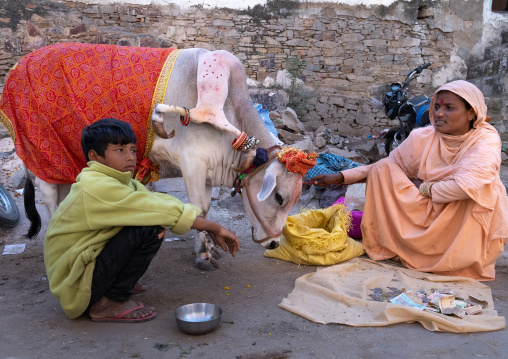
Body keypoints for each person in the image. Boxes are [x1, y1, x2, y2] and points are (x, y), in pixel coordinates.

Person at [44, 118, 240, 322]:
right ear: (95, 156)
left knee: (148, 218)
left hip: (80, 270)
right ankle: (107, 302)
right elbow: (158, 210)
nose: (130, 157)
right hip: (75, 283)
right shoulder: (95, 187)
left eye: (133, 150)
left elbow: (155, 201)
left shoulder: (118, 180)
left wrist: (205, 223)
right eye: (120, 150)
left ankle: (115, 284)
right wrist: (214, 227)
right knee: (149, 228)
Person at [311, 80, 508, 281]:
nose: (439, 114)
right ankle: (406, 246)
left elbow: (465, 187)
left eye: (449, 108)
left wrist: (423, 188)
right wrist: (341, 177)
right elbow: (387, 166)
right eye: (437, 107)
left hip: (460, 213)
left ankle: (454, 258)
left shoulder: (485, 139)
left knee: (479, 191)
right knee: (383, 168)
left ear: (471, 113)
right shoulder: (423, 137)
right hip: (428, 207)